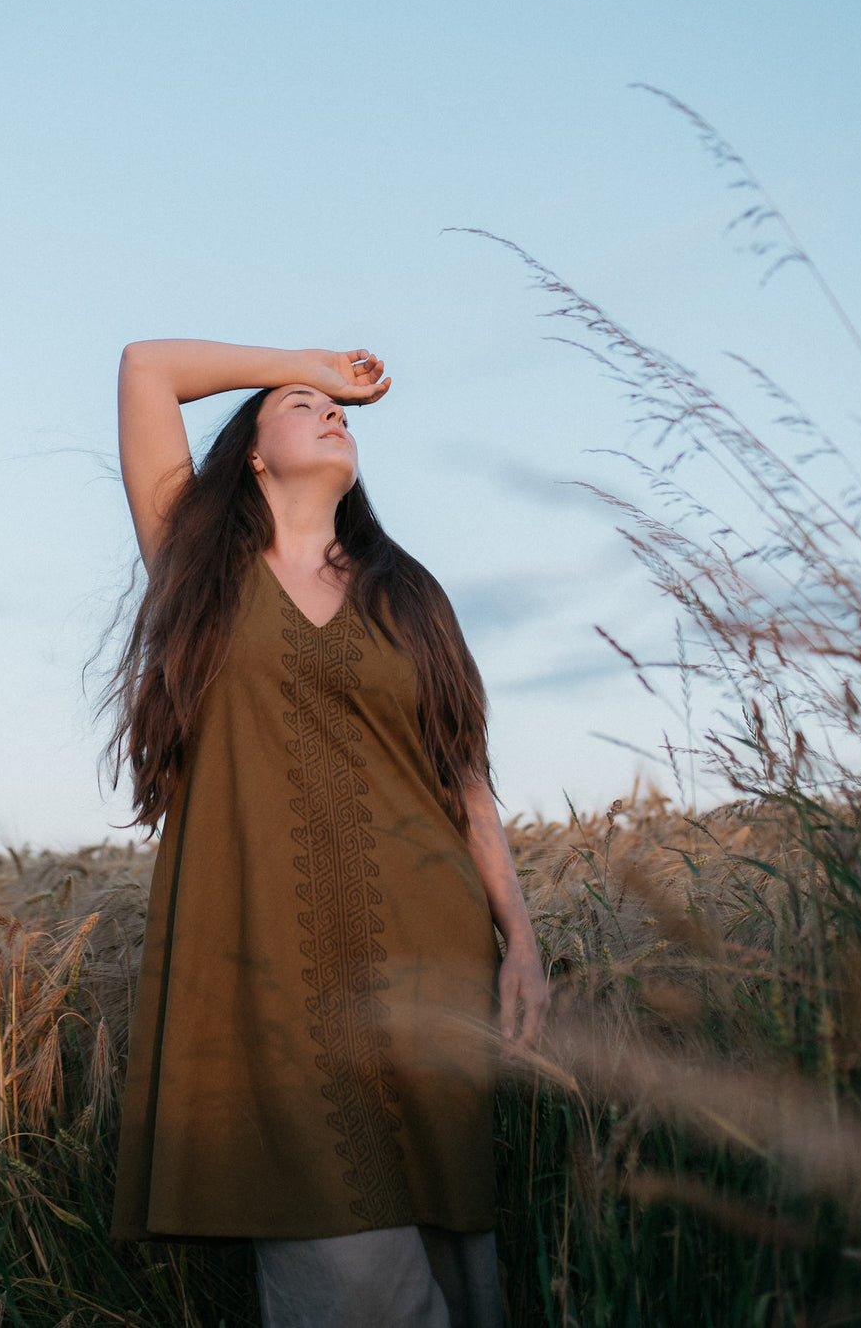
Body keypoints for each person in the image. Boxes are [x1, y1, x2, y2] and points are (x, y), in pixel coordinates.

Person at [103, 339, 550, 1328]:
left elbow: (463, 778)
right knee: (351, 1280)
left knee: (457, 1264)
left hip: (429, 960)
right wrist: (307, 360)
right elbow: (146, 368)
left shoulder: (408, 593)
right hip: (273, 972)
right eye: (301, 406)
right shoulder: (198, 567)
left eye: (338, 408)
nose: (333, 413)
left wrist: (519, 939)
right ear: (252, 453)